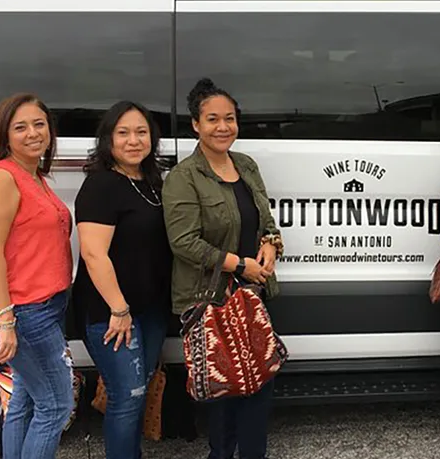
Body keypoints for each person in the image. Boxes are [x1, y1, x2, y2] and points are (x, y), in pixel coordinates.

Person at [162, 78, 284, 459]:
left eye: (229, 118)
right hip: (209, 300)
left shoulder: (246, 166)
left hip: (252, 296)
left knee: (258, 385)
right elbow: (183, 242)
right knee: (224, 389)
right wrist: (239, 265)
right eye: (212, 119)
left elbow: (266, 220)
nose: (222, 127)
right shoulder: (184, 177)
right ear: (195, 124)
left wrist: (270, 244)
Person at [0, 93, 74, 459]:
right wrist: (6, 320)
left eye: (39, 124)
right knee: (55, 406)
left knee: (26, 401)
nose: (33, 133)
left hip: (41, 308)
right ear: (4, 134)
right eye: (20, 127)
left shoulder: (33, 176)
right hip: (24, 313)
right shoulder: (2, 177)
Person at [72, 101, 173, 459]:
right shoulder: (101, 185)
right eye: (124, 132)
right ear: (108, 139)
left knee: (138, 391)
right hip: (114, 314)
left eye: (142, 132)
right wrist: (119, 308)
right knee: (126, 397)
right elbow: (93, 254)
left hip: (149, 311)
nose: (134, 140)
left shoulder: (151, 182)